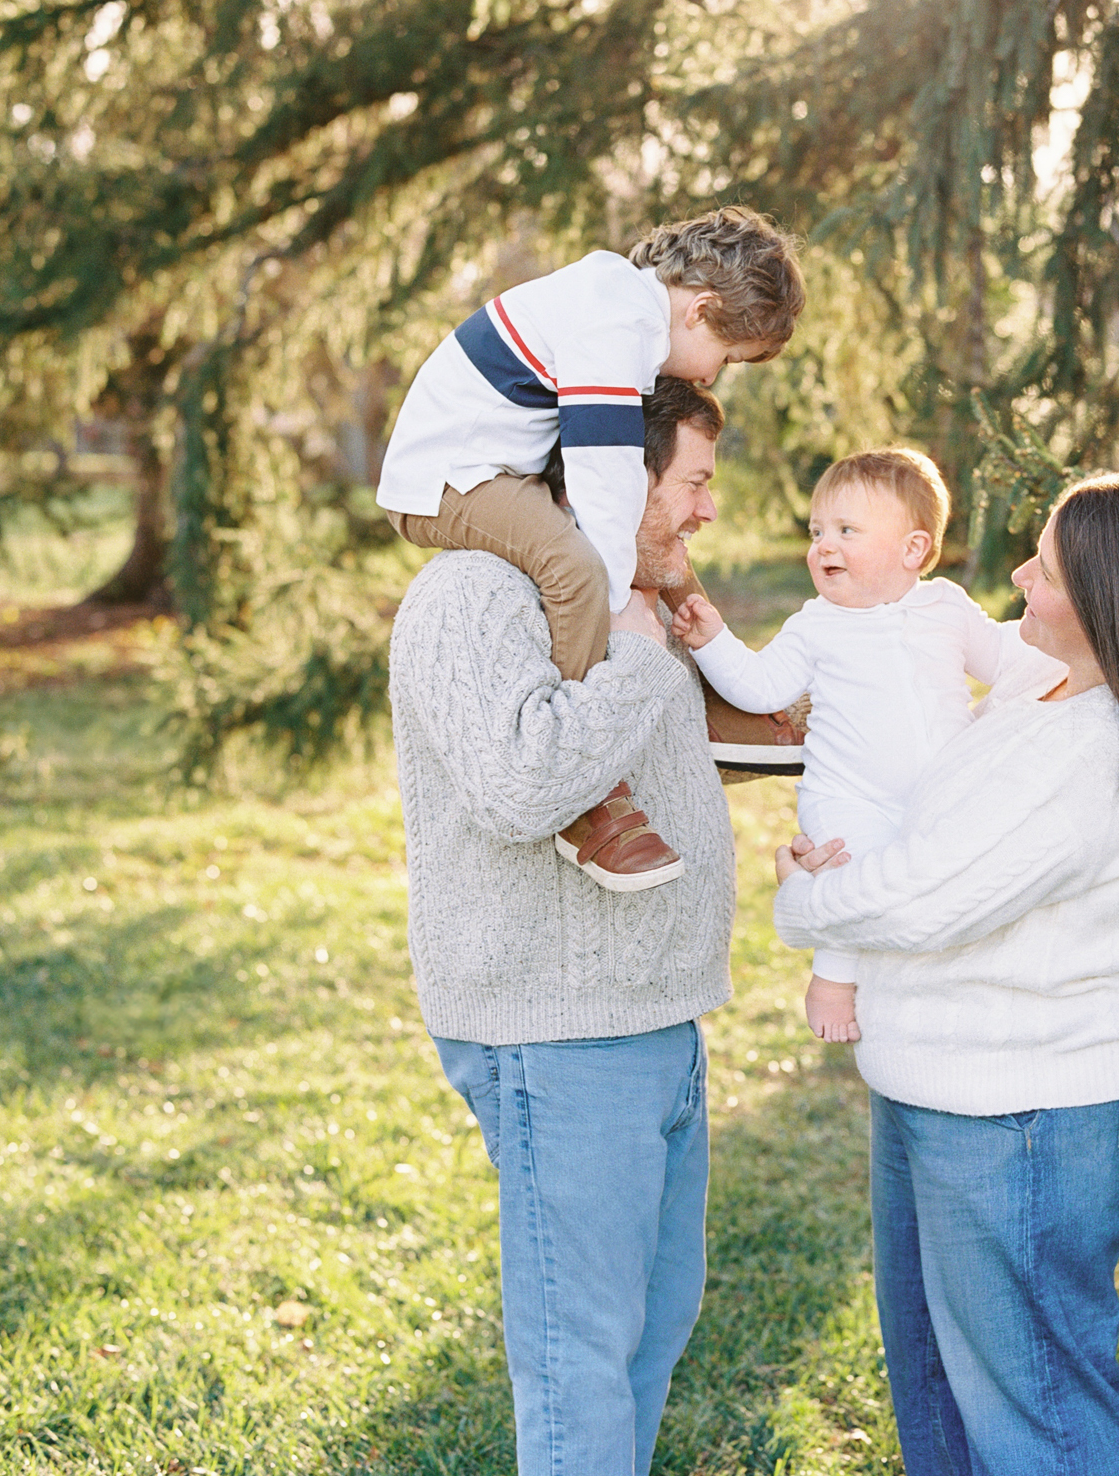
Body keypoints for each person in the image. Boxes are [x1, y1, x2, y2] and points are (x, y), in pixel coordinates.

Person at [771, 473, 1119, 1476]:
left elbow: (922, 895)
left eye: (1041, 570)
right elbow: (928, 769)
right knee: (944, 1381)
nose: (1013, 576)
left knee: (1038, 1407)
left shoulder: (1093, 753)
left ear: (1106, 605)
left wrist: (804, 894)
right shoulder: (1049, 683)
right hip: (955, 1079)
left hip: (1028, 1106)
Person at [388, 378, 735, 1476]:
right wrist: (638, 649)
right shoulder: (474, 595)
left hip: (654, 1018)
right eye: (690, 481)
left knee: (647, 1333)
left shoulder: (608, 594)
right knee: (579, 1356)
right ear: (615, 475)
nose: (704, 509)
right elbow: (523, 782)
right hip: (562, 1032)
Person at [379, 206, 806, 891]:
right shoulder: (614, 325)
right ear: (699, 310)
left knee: (650, 542)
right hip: (448, 479)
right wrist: (619, 621)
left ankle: (732, 702)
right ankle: (585, 791)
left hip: (498, 465)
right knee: (578, 571)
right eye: (728, 358)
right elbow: (606, 485)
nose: (715, 376)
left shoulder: (621, 305)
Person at [670, 447, 1063, 1042]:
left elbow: (1004, 655)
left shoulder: (945, 607)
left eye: (847, 531)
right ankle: (834, 978)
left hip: (943, 788)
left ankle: (942, 981)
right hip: (851, 795)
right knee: (849, 872)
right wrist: (711, 639)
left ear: (913, 550)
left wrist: (1079, 635)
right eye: (817, 531)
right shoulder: (815, 624)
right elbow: (758, 687)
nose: (824, 546)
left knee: (943, 876)